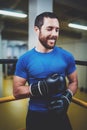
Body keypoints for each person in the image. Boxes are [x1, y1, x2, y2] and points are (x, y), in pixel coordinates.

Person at [13, 12, 78, 130]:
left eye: (57, 30)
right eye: (49, 29)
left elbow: (74, 82)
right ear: (37, 30)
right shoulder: (25, 59)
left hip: (60, 114)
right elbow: (17, 92)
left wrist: (67, 98)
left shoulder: (67, 56)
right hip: (36, 116)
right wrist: (41, 87)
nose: (54, 34)